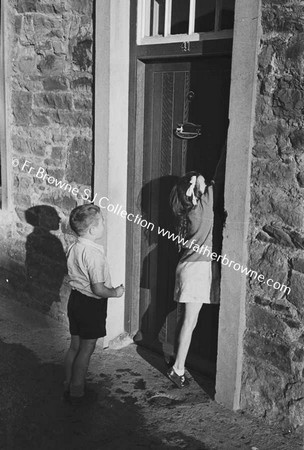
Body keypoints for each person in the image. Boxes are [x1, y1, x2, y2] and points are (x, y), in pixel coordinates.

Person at [167, 148, 226, 388]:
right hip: (197, 270)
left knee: (185, 320)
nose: (206, 180)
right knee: (190, 322)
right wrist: (223, 149)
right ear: (197, 189)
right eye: (201, 179)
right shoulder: (203, 208)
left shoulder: (188, 212)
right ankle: (178, 369)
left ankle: (176, 357)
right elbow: (219, 177)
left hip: (186, 267)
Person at [64, 204, 124, 403]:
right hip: (91, 305)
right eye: (102, 222)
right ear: (92, 230)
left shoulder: (74, 247)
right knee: (87, 348)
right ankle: (77, 389)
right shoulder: (94, 255)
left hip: (75, 300)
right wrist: (115, 292)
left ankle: (67, 382)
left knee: (74, 345)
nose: (104, 224)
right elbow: (98, 289)